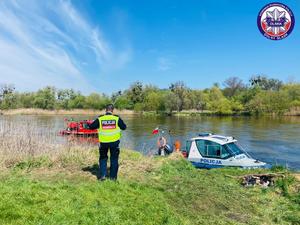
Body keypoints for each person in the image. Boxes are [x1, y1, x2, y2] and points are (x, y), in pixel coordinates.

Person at [88, 104, 126, 181]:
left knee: (103, 158)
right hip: (114, 142)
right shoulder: (116, 118)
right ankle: (113, 178)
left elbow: (91, 127)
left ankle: (103, 176)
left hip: (103, 143)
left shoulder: (100, 119)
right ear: (112, 110)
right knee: (114, 159)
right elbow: (124, 127)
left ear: (106, 110)